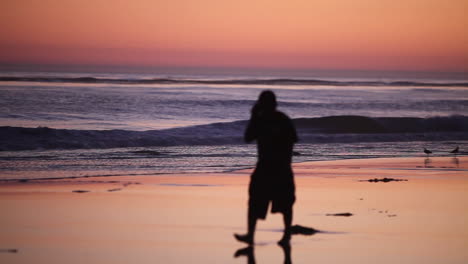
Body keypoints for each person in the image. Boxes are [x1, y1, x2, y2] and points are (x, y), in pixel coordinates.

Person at [235, 90, 298, 246]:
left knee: (266, 202)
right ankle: (284, 235)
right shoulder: (276, 119)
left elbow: (248, 137)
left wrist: (254, 116)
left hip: (272, 167)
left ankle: (257, 235)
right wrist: (254, 117)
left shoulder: (267, 120)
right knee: (279, 203)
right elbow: (249, 137)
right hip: (275, 167)